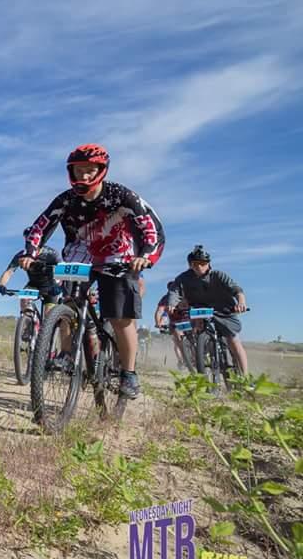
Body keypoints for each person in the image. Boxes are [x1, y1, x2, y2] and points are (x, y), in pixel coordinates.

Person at [19, 144, 165, 399]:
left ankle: (129, 374)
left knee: (121, 317)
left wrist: (146, 256)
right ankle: (66, 354)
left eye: (89, 170)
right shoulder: (66, 200)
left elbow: (150, 228)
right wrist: (31, 252)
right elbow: (40, 226)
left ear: (101, 170)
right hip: (81, 252)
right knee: (68, 305)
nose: (83, 177)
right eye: (78, 171)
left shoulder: (121, 196)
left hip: (119, 253)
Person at [168, 245, 249, 376]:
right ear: (190, 264)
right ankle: (200, 356)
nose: (199, 267)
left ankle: (245, 377)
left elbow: (236, 290)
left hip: (224, 310)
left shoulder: (218, 275)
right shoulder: (184, 277)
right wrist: (171, 304)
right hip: (201, 310)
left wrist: (241, 302)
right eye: (195, 264)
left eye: (202, 263)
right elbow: (174, 290)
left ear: (208, 264)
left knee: (233, 340)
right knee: (195, 331)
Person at [0, 227, 62, 311]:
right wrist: (1, 284)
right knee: (24, 300)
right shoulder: (21, 255)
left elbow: (62, 270)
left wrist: (58, 285)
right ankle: (28, 320)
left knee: (48, 315)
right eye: (27, 238)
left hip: (50, 287)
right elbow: (9, 272)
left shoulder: (51, 253)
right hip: (33, 285)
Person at [153, 281, 190, 370]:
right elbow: (159, 311)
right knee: (177, 342)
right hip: (175, 323)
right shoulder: (165, 299)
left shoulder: (187, 296)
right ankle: (182, 360)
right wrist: (158, 323)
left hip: (189, 321)